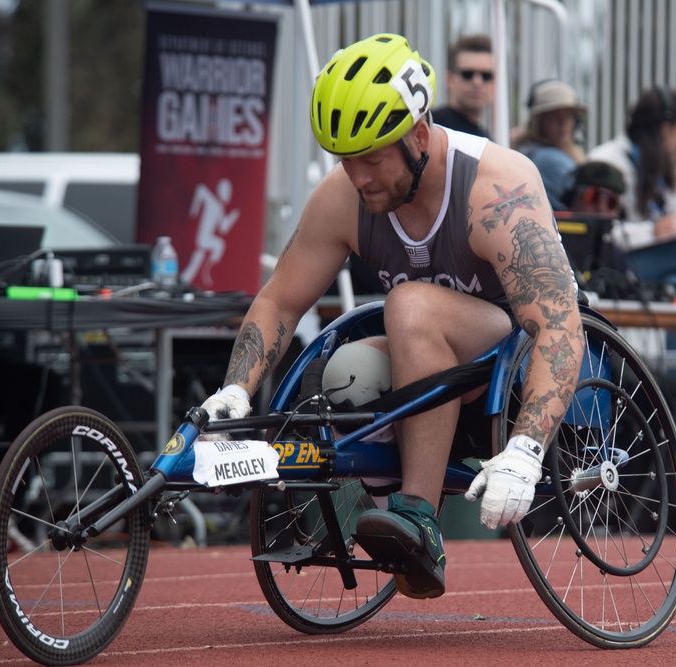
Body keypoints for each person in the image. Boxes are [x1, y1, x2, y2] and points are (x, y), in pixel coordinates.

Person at [200, 34, 582, 600]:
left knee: (409, 302)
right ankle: (391, 521)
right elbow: (281, 300)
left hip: (518, 369)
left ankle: (418, 516)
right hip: (431, 367)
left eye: (372, 158)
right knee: (345, 369)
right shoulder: (343, 198)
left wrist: (526, 451)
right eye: (345, 161)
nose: (358, 178)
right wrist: (236, 387)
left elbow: (559, 326)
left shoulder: (497, 187)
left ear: (418, 135)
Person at [588, 86, 676, 288]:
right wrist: (652, 231)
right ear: (665, 130)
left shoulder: (670, 170)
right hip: (612, 264)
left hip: (648, 261)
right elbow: (599, 233)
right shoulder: (606, 164)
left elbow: (669, 216)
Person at [513, 80, 587, 211]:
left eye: (568, 116)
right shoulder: (548, 158)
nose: (563, 123)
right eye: (554, 116)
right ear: (539, 122)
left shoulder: (532, 151)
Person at [430, 34, 493, 139]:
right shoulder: (432, 127)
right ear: (449, 80)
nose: (477, 82)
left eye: (486, 76)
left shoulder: (485, 137)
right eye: (467, 74)